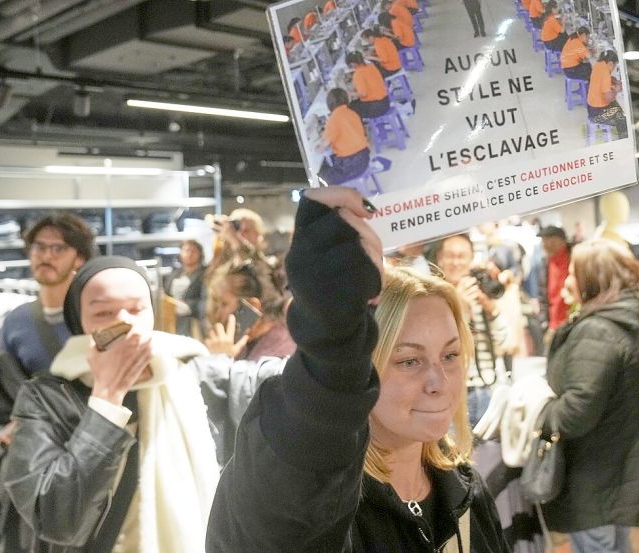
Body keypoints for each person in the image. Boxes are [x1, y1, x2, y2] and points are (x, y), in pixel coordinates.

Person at [206, 187, 509, 552]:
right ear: (362, 366)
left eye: (450, 355)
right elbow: (287, 517)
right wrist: (331, 351)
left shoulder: (466, 489)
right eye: (408, 360)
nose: (438, 382)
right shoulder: (314, 500)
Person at [0, 256, 280, 552]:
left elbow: (284, 381)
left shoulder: (194, 373)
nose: (126, 323)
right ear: (80, 321)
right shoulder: (47, 397)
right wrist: (107, 399)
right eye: (104, 312)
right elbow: (56, 518)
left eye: (136, 309)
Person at [539, 239, 639, 553]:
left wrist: (542, 412)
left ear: (593, 279)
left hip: (596, 476)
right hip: (616, 470)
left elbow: (575, 413)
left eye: (574, 274)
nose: (567, 281)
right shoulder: (626, 320)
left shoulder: (598, 330)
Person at [0, 213, 95, 376]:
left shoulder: (97, 315)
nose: (46, 256)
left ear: (79, 258)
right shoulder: (15, 322)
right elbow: (7, 387)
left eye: (58, 248)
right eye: (39, 247)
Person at [432, 234, 509, 394]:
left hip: (489, 384)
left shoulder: (478, 291)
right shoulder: (433, 298)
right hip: (458, 390)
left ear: (471, 259)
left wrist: (491, 309)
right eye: (450, 256)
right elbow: (442, 348)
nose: (456, 262)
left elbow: (503, 341)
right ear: (440, 259)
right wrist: (460, 307)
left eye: (462, 256)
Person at [205, 264, 294, 362]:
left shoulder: (278, 354)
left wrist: (221, 360)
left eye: (224, 304)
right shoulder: (244, 343)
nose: (218, 314)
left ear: (253, 306)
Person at [316, 88, 371, 185]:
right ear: (346, 99)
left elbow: (323, 147)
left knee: (321, 176)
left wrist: (316, 148)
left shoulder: (333, 120)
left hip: (350, 166)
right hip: (365, 158)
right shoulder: (353, 113)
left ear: (329, 104)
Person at [164, 239, 206, 337]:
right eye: (186, 250)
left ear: (200, 254)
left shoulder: (205, 274)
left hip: (193, 321)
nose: (189, 254)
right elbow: (167, 293)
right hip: (173, 319)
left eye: (193, 251)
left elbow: (206, 298)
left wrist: (188, 306)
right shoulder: (175, 273)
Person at [587, 50, 628, 139]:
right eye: (615, 65)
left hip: (591, 108)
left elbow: (606, 78)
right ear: (610, 63)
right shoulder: (605, 73)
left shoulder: (599, 64)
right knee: (623, 119)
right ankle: (624, 141)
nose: (614, 68)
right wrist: (616, 90)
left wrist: (615, 81)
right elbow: (608, 98)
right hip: (597, 115)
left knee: (619, 108)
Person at [537, 226, 570, 333]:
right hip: (553, 325)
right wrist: (543, 320)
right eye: (543, 240)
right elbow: (543, 295)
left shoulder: (575, 258)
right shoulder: (545, 263)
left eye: (547, 240)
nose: (544, 245)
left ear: (559, 241)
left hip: (572, 321)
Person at [346, 51, 391, 119]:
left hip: (377, 107)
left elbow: (363, 93)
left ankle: (361, 128)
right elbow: (369, 83)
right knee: (355, 104)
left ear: (352, 64)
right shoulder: (371, 66)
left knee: (349, 109)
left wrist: (350, 93)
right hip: (386, 102)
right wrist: (355, 88)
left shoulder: (358, 74)